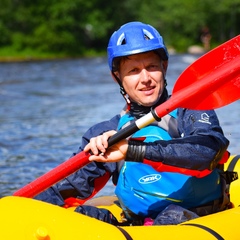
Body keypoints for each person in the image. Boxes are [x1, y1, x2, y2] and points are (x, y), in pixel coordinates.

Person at [35, 21, 231, 225]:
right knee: (78, 218)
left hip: (198, 217)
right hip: (138, 225)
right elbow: (66, 188)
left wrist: (132, 150)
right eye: (133, 71)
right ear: (117, 77)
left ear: (164, 67)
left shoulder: (191, 109)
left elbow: (207, 152)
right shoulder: (106, 133)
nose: (145, 78)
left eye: (151, 67)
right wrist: (19, 208)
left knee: (170, 217)